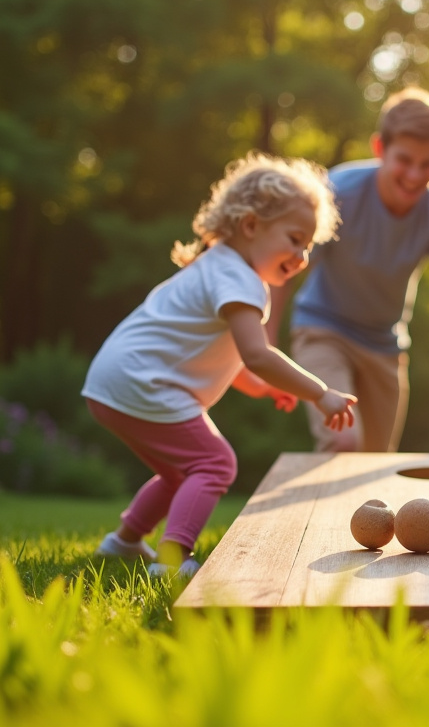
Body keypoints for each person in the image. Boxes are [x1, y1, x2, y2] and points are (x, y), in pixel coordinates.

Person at [83, 153, 357, 578]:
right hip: (144, 381)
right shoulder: (241, 279)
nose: (302, 256)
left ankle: (123, 542)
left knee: (180, 472)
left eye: (308, 245)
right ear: (251, 226)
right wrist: (320, 392)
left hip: (113, 381)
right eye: (295, 238)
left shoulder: (217, 266)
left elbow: (235, 362)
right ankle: (172, 558)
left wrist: (264, 388)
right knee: (215, 463)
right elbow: (258, 354)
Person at [268, 87, 429, 452]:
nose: (415, 174)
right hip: (323, 330)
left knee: (375, 463)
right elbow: (283, 268)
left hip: (384, 345)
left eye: (427, 163)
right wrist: (266, 347)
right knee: (343, 439)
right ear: (380, 148)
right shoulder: (337, 193)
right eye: (405, 160)